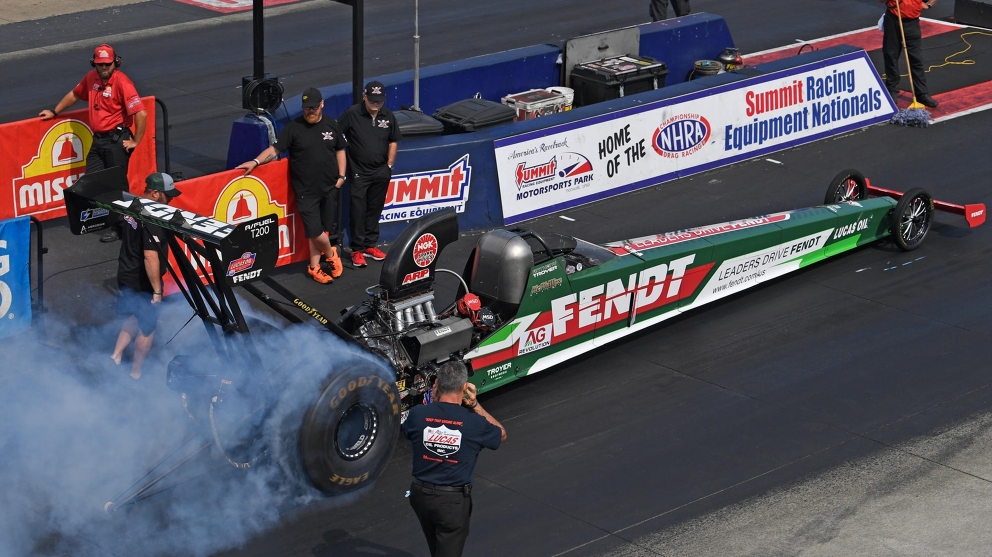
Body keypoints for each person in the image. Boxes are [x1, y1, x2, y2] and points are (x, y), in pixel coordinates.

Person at [237, 87, 348, 284]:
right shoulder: (293, 128)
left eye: (314, 107)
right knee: (315, 232)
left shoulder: (332, 125)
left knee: (323, 230)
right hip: (306, 191)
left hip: (330, 187)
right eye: (306, 108)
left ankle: (314, 267)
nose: (310, 111)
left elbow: (340, 150)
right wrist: (255, 162)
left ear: (322, 105)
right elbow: (274, 149)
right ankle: (332, 254)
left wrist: (341, 176)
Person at [39, 43, 148, 243]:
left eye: (107, 64)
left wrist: (136, 141)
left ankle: (124, 228)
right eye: (100, 64)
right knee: (94, 181)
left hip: (117, 140)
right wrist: (55, 111)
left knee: (117, 187)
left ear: (116, 62)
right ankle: (112, 220)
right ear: (94, 64)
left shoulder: (123, 83)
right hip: (98, 141)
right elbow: (74, 94)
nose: (104, 68)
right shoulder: (91, 78)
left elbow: (141, 112)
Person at [403, 361, 506, 557]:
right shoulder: (474, 423)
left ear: (436, 384)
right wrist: (475, 405)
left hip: (420, 497)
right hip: (452, 503)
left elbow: (411, 431)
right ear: (465, 387)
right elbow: (501, 434)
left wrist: (434, 402)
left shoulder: (417, 415)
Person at [111, 173, 180, 380]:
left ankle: (115, 355)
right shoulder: (152, 216)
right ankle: (136, 372)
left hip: (125, 273)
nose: (170, 201)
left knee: (135, 314)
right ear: (156, 193)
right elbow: (150, 256)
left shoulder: (131, 205)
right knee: (148, 327)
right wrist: (157, 291)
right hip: (141, 280)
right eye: (168, 196)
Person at [337, 81, 401, 268]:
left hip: (381, 171)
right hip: (359, 172)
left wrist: (389, 165)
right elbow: (335, 133)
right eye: (372, 100)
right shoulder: (352, 113)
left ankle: (370, 245)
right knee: (358, 210)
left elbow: (393, 140)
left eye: (379, 100)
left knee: (375, 208)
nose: (376, 103)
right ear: (364, 97)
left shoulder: (388, 115)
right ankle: (357, 249)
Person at [879, 0, 938, 107]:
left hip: (912, 22)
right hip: (893, 19)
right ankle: (892, 89)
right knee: (891, 55)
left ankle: (921, 93)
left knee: (916, 59)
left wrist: (929, 4)